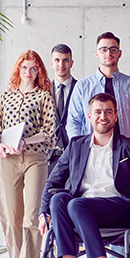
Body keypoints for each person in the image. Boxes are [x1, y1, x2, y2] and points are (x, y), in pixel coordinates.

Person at [37, 93, 130, 258]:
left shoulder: (129, 146)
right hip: (80, 210)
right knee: (60, 199)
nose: (103, 116)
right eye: (98, 112)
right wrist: (44, 212)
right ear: (89, 116)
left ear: (116, 116)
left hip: (117, 208)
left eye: (108, 112)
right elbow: (53, 181)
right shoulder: (76, 145)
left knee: (75, 204)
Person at [66, 31, 130, 258]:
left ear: (119, 53)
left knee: (119, 200)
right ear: (97, 53)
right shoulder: (82, 86)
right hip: (92, 157)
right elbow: (73, 122)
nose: (109, 53)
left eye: (113, 49)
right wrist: (77, 152)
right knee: (85, 200)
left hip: (126, 160)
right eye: (104, 49)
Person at [0, 50, 55, 258]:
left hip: (34, 158)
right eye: (25, 67)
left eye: (33, 68)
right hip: (8, 160)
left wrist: (25, 142)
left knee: (30, 217)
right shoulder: (6, 96)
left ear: (39, 72)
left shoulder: (44, 97)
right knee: (10, 218)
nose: (28, 72)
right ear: (18, 70)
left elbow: (50, 133)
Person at [49, 44, 77, 174]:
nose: (61, 64)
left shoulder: (80, 88)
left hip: (73, 155)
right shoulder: (43, 91)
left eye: (65, 60)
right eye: (57, 60)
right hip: (47, 157)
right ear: (52, 63)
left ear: (71, 63)